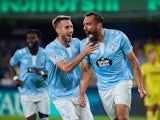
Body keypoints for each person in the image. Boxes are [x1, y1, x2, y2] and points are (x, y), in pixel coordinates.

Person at [79, 11, 147, 120]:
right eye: (84, 24)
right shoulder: (84, 45)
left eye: (88, 24)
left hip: (122, 80)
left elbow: (134, 62)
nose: (85, 27)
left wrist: (140, 86)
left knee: (122, 117)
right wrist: (82, 95)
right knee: (115, 118)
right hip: (103, 87)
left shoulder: (119, 37)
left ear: (99, 25)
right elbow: (86, 71)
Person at [45, 15, 97, 120]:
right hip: (61, 96)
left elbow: (91, 44)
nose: (71, 30)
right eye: (67, 27)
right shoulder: (51, 48)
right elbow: (66, 68)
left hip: (78, 92)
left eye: (71, 26)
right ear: (58, 30)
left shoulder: (76, 43)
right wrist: (84, 53)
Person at [8, 29, 50, 120]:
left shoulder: (45, 53)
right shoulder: (20, 53)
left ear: (38, 39)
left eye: (33, 38)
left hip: (42, 92)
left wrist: (41, 72)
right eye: (28, 38)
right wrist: (15, 78)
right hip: (26, 93)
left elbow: (52, 73)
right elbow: (11, 65)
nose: (30, 41)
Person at [141, 49, 160, 120]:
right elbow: (142, 79)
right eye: (152, 54)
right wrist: (145, 90)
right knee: (150, 108)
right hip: (150, 90)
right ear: (148, 56)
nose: (154, 55)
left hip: (159, 90)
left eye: (155, 54)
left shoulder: (159, 65)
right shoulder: (145, 66)